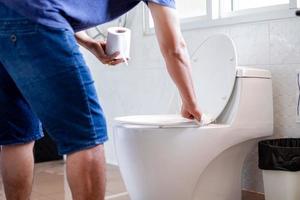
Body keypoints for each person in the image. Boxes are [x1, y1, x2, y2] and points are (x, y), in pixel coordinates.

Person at [0, 0, 202, 199]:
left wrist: (90, 43)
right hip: (37, 18)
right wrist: (190, 102)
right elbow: (174, 49)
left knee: (18, 136)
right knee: (87, 137)